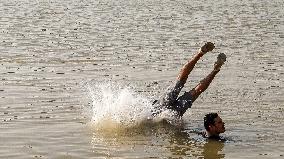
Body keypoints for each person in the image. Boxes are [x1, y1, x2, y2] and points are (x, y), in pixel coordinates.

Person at [151, 42, 227, 138]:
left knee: (182, 82)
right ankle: (214, 69)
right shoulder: (208, 135)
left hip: (167, 113)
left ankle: (202, 55)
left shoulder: (206, 134)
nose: (223, 123)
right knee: (193, 90)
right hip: (168, 113)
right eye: (220, 122)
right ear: (210, 127)